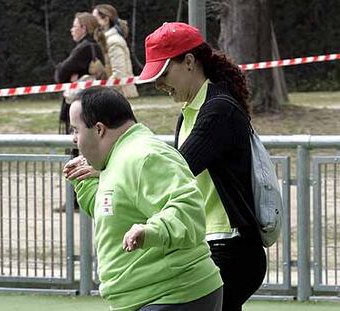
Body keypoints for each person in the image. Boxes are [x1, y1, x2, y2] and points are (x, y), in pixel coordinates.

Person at [137, 22, 267, 311]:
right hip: (211, 245)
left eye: (163, 73)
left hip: (231, 247)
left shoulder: (218, 110)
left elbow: (177, 170)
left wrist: (112, 170)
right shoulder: (190, 113)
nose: (159, 85)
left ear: (190, 62)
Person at [63, 86, 223, 311]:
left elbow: (188, 210)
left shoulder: (145, 156)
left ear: (98, 129)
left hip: (173, 294)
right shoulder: (117, 158)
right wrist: (84, 182)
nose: (74, 140)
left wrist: (151, 231)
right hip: (151, 296)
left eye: (76, 130)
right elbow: (113, 213)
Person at [54, 12, 107, 135]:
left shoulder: (84, 48)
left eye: (74, 26)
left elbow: (60, 74)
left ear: (83, 28)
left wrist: (67, 74)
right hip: (91, 104)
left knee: (78, 143)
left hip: (80, 106)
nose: (71, 30)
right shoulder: (95, 46)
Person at [92, 4, 139, 98]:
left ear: (105, 20)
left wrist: (99, 90)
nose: (92, 23)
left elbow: (119, 74)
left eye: (95, 19)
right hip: (114, 94)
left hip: (121, 95)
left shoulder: (114, 41)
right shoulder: (105, 41)